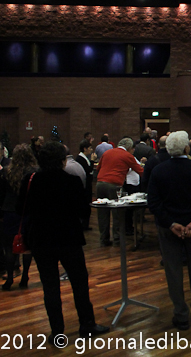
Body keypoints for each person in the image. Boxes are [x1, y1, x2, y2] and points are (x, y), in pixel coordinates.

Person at [17, 142, 109, 343]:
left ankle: (57, 331)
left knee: (50, 286)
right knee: (79, 283)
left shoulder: (31, 180)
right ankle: (87, 324)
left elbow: (20, 208)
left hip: (41, 239)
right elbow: (83, 212)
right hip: (68, 238)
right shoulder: (71, 181)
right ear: (62, 161)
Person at [147, 131, 191, 330]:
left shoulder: (159, 171)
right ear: (187, 148)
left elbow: (153, 203)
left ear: (168, 149)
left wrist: (171, 223)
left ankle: (181, 314)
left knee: (173, 271)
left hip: (168, 229)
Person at [95, 137, 144, 246]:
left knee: (102, 214)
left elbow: (98, 168)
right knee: (117, 213)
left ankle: (104, 239)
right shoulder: (127, 156)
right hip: (114, 185)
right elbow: (140, 171)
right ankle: (117, 240)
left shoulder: (107, 153)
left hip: (100, 184)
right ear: (129, 147)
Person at [1, 144, 37, 290]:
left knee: (8, 248)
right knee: (27, 247)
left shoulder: (6, 172)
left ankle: (10, 278)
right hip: (28, 211)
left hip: (10, 211)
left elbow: (1, 194)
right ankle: (25, 277)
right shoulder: (34, 173)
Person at [76, 140, 95, 231]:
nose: (91, 150)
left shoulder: (83, 158)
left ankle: (86, 224)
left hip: (87, 184)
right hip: (85, 185)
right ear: (85, 148)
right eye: (90, 148)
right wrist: (92, 160)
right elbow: (88, 169)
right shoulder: (80, 159)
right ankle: (84, 224)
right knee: (86, 204)